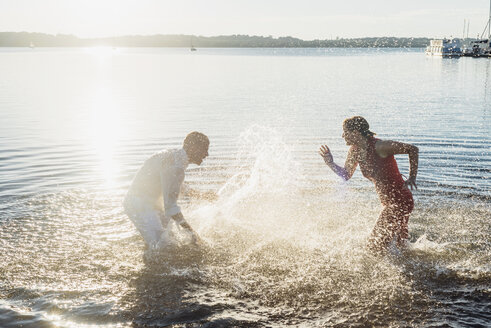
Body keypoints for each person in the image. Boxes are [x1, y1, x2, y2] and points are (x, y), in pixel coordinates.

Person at [319, 116, 419, 252]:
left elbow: (412, 149)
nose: (343, 135)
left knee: (373, 246)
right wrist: (330, 163)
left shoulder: (380, 147)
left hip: (399, 201)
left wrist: (412, 176)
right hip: (388, 202)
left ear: (355, 132)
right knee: (400, 247)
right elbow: (346, 175)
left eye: (345, 132)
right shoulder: (354, 152)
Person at [124, 131, 210, 250]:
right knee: (161, 247)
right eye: (204, 149)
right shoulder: (176, 166)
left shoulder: (175, 157)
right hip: (139, 206)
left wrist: (202, 195)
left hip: (152, 202)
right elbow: (171, 208)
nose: (207, 154)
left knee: (170, 240)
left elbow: (174, 185)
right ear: (193, 148)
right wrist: (192, 232)